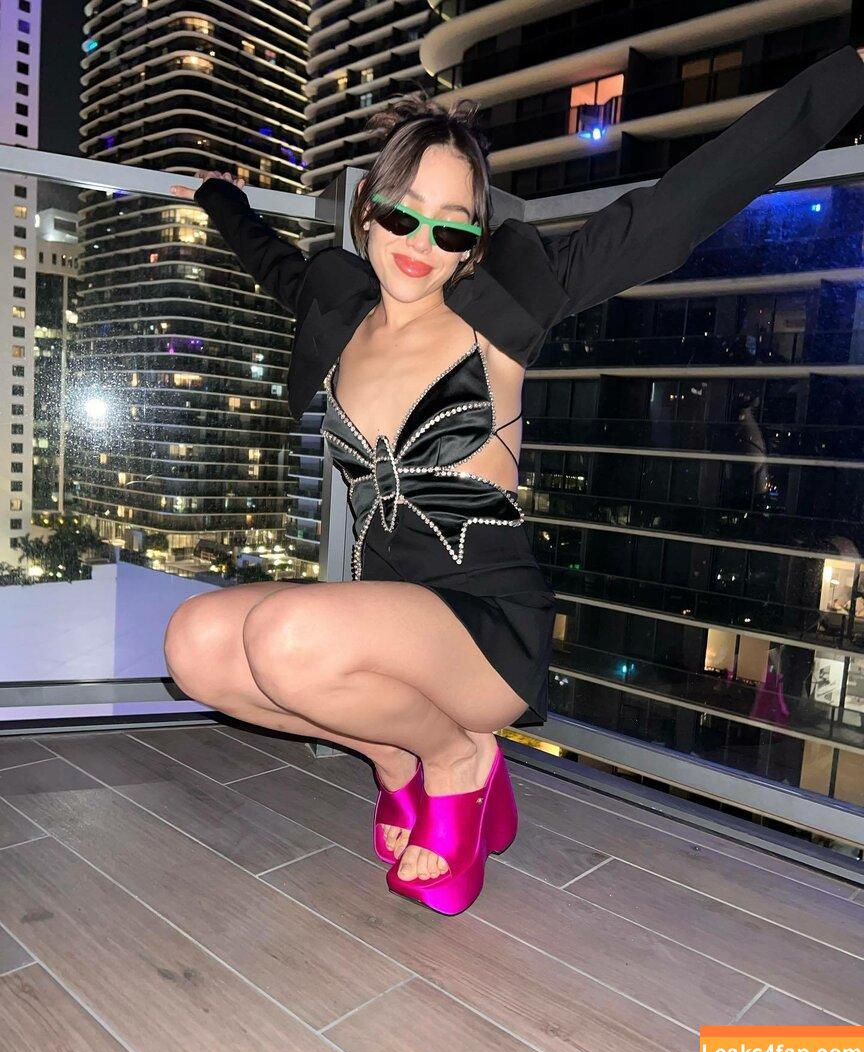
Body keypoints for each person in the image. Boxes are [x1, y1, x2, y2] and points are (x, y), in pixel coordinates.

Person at [165, 44, 864, 915]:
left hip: (485, 631)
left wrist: (847, 76)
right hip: (379, 630)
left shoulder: (499, 317)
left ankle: (459, 760)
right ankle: (395, 757)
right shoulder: (337, 310)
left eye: (453, 227)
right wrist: (219, 195)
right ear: (366, 209)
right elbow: (268, 258)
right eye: (403, 214)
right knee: (194, 647)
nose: (422, 244)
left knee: (283, 640)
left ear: (476, 244)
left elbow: (678, 206)